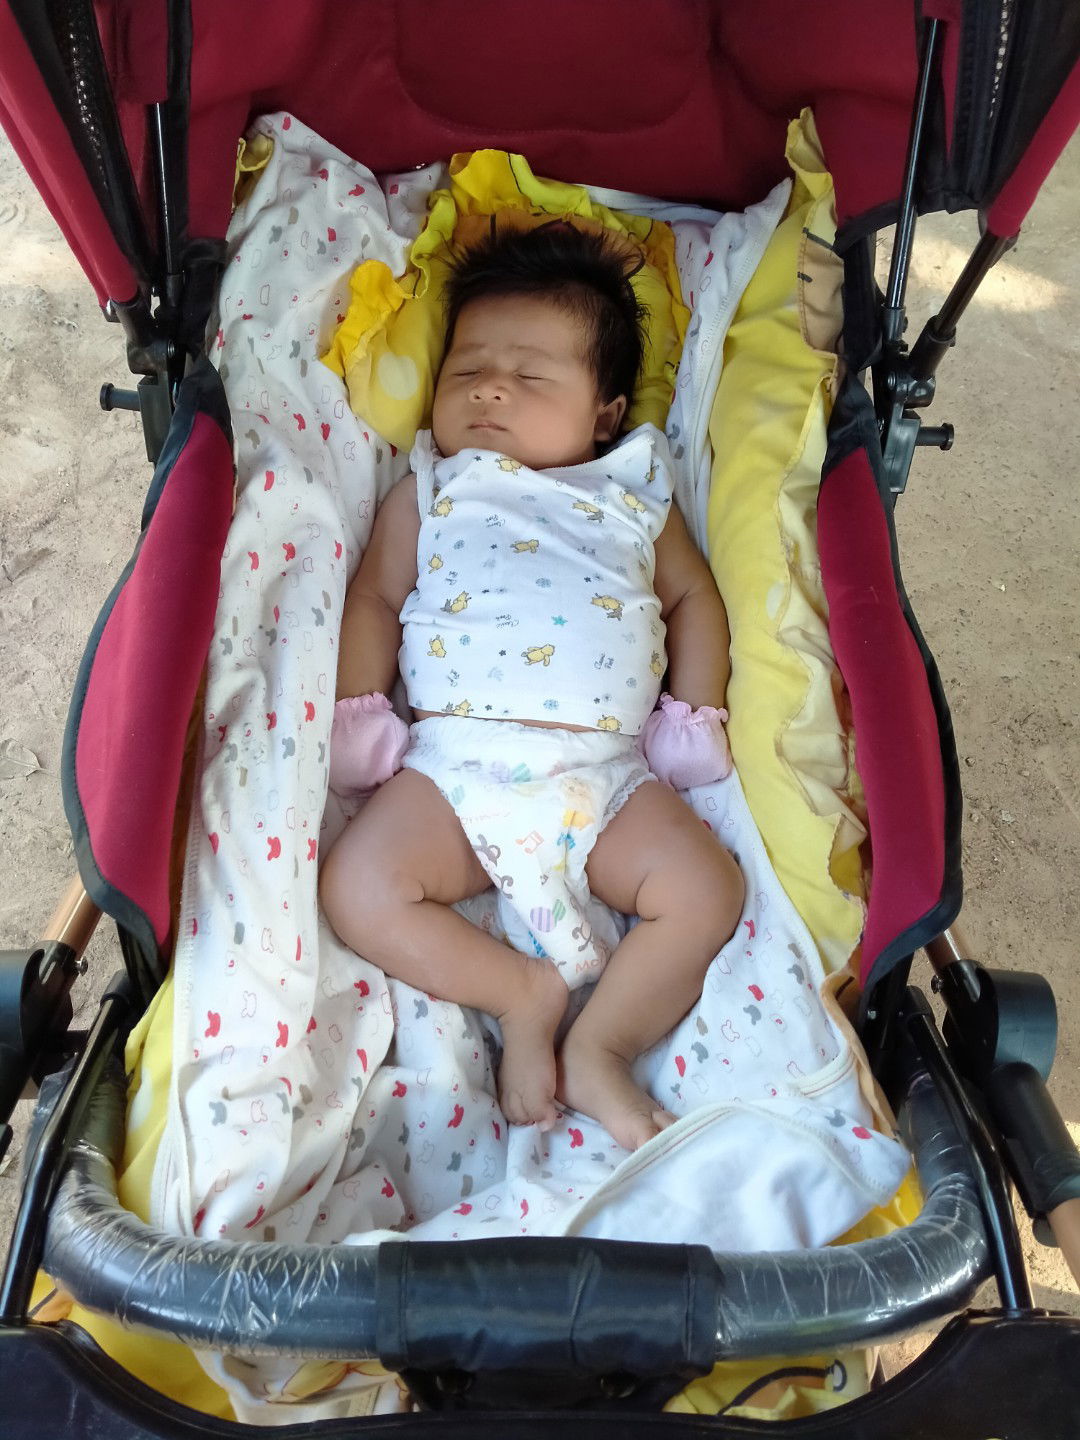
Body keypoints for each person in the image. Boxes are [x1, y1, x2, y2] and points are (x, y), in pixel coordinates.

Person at [320, 223, 744, 1151]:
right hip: (455, 768)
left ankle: (600, 1046)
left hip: (604, 770)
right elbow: (376, 596)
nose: (490, 387)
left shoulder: (633, 491)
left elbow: (692, 596)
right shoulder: (433, 486)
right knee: (356, 886)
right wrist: (358, 709)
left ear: (606, 413)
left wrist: (693, 712)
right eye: (467, 368)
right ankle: (521, 993)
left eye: (531, 374)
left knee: (707, 890)